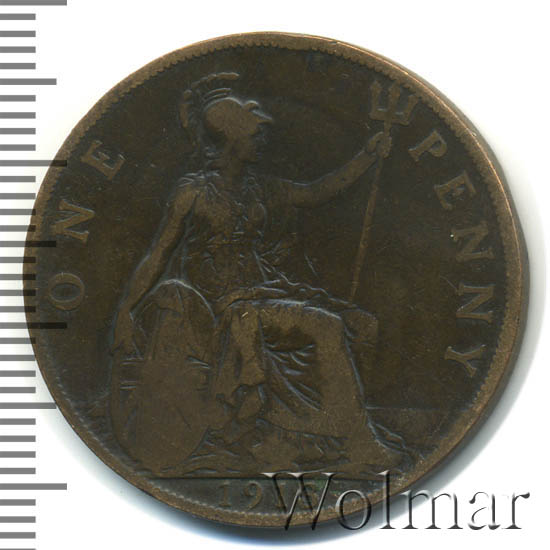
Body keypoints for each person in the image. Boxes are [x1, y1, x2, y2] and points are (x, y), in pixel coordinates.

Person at [110, 72, 401, 477]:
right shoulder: (193, 193)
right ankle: (357, 440)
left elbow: (317, 192)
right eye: (254, 135)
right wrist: (128, 309)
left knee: (359, 324)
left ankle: (319, 435)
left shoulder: (261, 188)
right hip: (219, 307)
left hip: (262, 293)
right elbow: (157, 254)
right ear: (231, 140)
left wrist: (367, 157)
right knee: (327, 325)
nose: (262, 140)